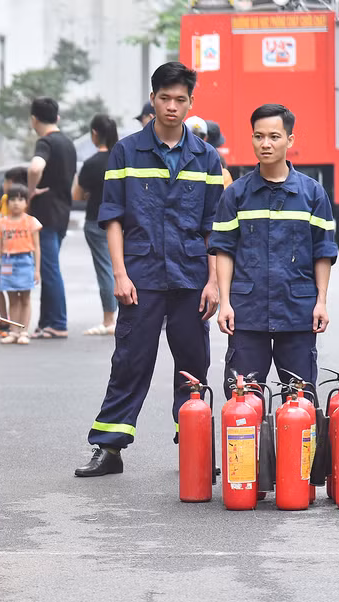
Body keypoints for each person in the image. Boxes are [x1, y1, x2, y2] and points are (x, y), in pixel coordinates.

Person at [75, 61, 225, 478]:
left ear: (191, 103)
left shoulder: (207, 158)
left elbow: (215, 228)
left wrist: (213, 282)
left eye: (181, 100)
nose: (172, 106)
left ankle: (194, 441)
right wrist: (120, 274)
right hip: (141, 277)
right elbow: (113, 217)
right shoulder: (126, 151)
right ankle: (109, 447)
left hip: (192, 278)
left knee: (193, 365)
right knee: (130, 361)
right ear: (153, 99)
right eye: (165, 98)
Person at [210, 104, 337, 395]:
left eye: (274, 136)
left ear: (289, 140)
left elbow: (323, 251)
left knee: (300, 401)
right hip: (246, 314)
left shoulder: (312, 194)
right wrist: (225, 303)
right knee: (244, 401)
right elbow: (224, 251)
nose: (265, 143)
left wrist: (321, 302)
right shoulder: (236, 195)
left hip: (297, 312)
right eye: (258, 136)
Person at [27, 97, 76, 339]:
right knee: (48, 268)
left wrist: (30, 190)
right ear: (57, 117)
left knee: (50, 268)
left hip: (44, 214)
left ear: (34, 119)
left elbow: (35, 167)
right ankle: (46, 322)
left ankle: (57, 322)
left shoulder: (45, 142)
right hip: (62, 213)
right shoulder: (68, 143)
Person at [73, 113, 119, 336]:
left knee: (106, 270)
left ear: (94, 134)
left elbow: (77, 194)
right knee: (125, 267)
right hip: (124, 221)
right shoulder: (122, 159)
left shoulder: (91, 163)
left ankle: (109, 319)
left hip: (97, 220)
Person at [0, 184, 41, 344]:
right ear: (7, 202)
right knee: (12, 298)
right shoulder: (2, 223)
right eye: (12, 199)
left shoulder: (31, 222)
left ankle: (24, 332)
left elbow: (37, 248)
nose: (16, 203)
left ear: (26, 202)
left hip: (25, 261)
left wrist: (37, 270)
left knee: (25, 298)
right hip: (7, 262)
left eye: (20, 199)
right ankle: (13, 331)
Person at [0, 166, 29, 338]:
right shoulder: (7, 200)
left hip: (15, 256)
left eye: (5, 181)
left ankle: (10, 324)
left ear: (11, 183)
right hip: (4, 255)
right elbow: (2, 225)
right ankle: (7, 322)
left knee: (12, 290)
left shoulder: (14, 201)